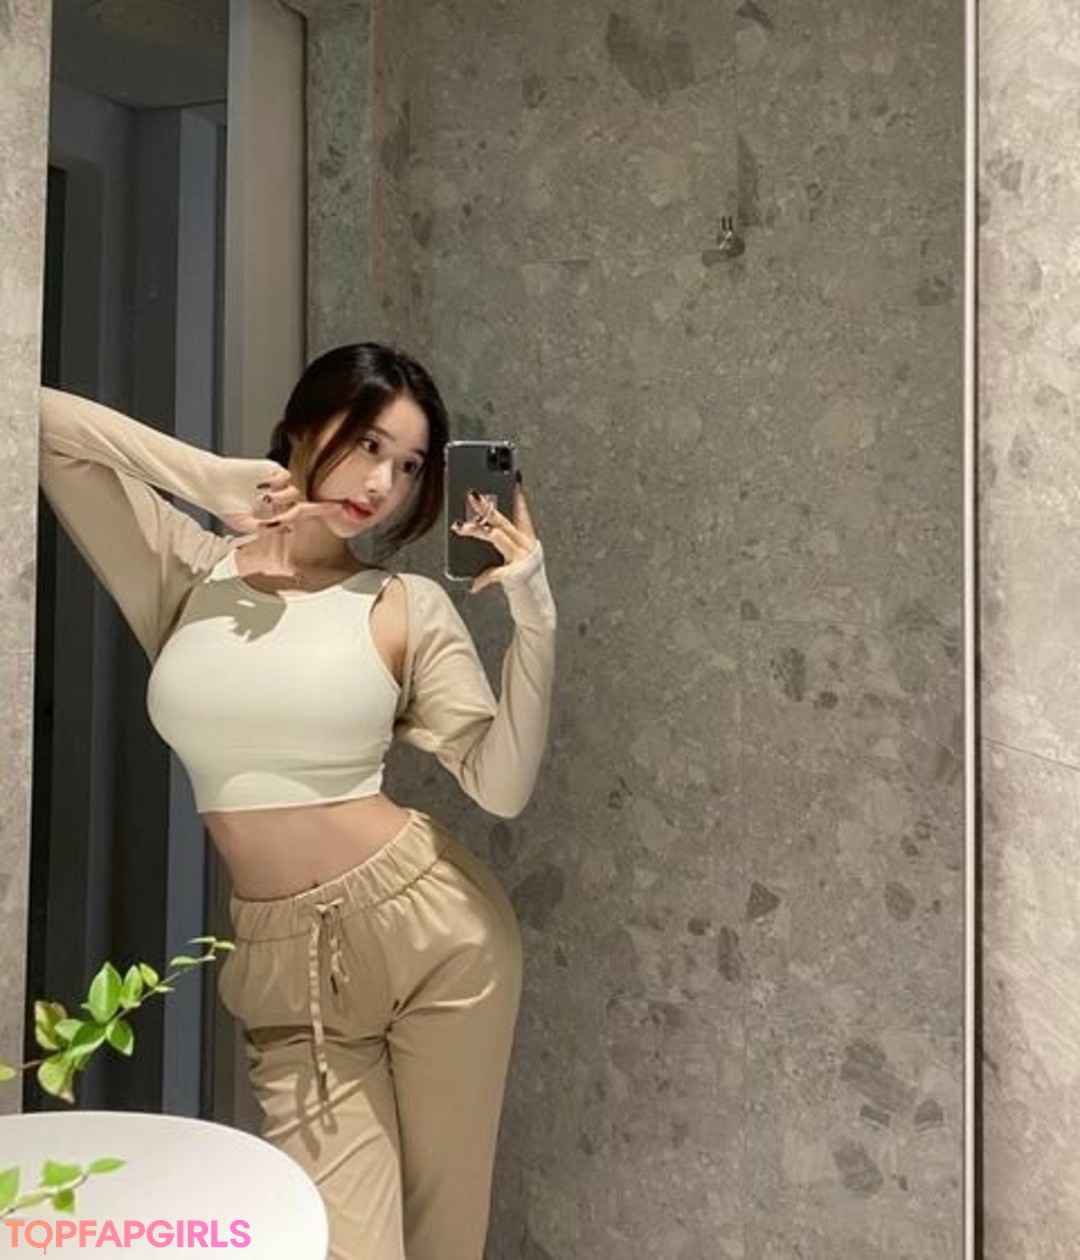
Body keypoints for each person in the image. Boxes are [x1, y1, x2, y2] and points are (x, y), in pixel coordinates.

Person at [37, 342, 557, 1260]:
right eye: (368, 444)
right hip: (282, 959)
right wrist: (207, 477)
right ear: (304, 427)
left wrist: (534, 614)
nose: (382, 483)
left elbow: (500, 787)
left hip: (435, 935)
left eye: (408, 466)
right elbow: (34, 419)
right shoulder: (191, 572)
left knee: (441, 1242)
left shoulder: (402, 605)